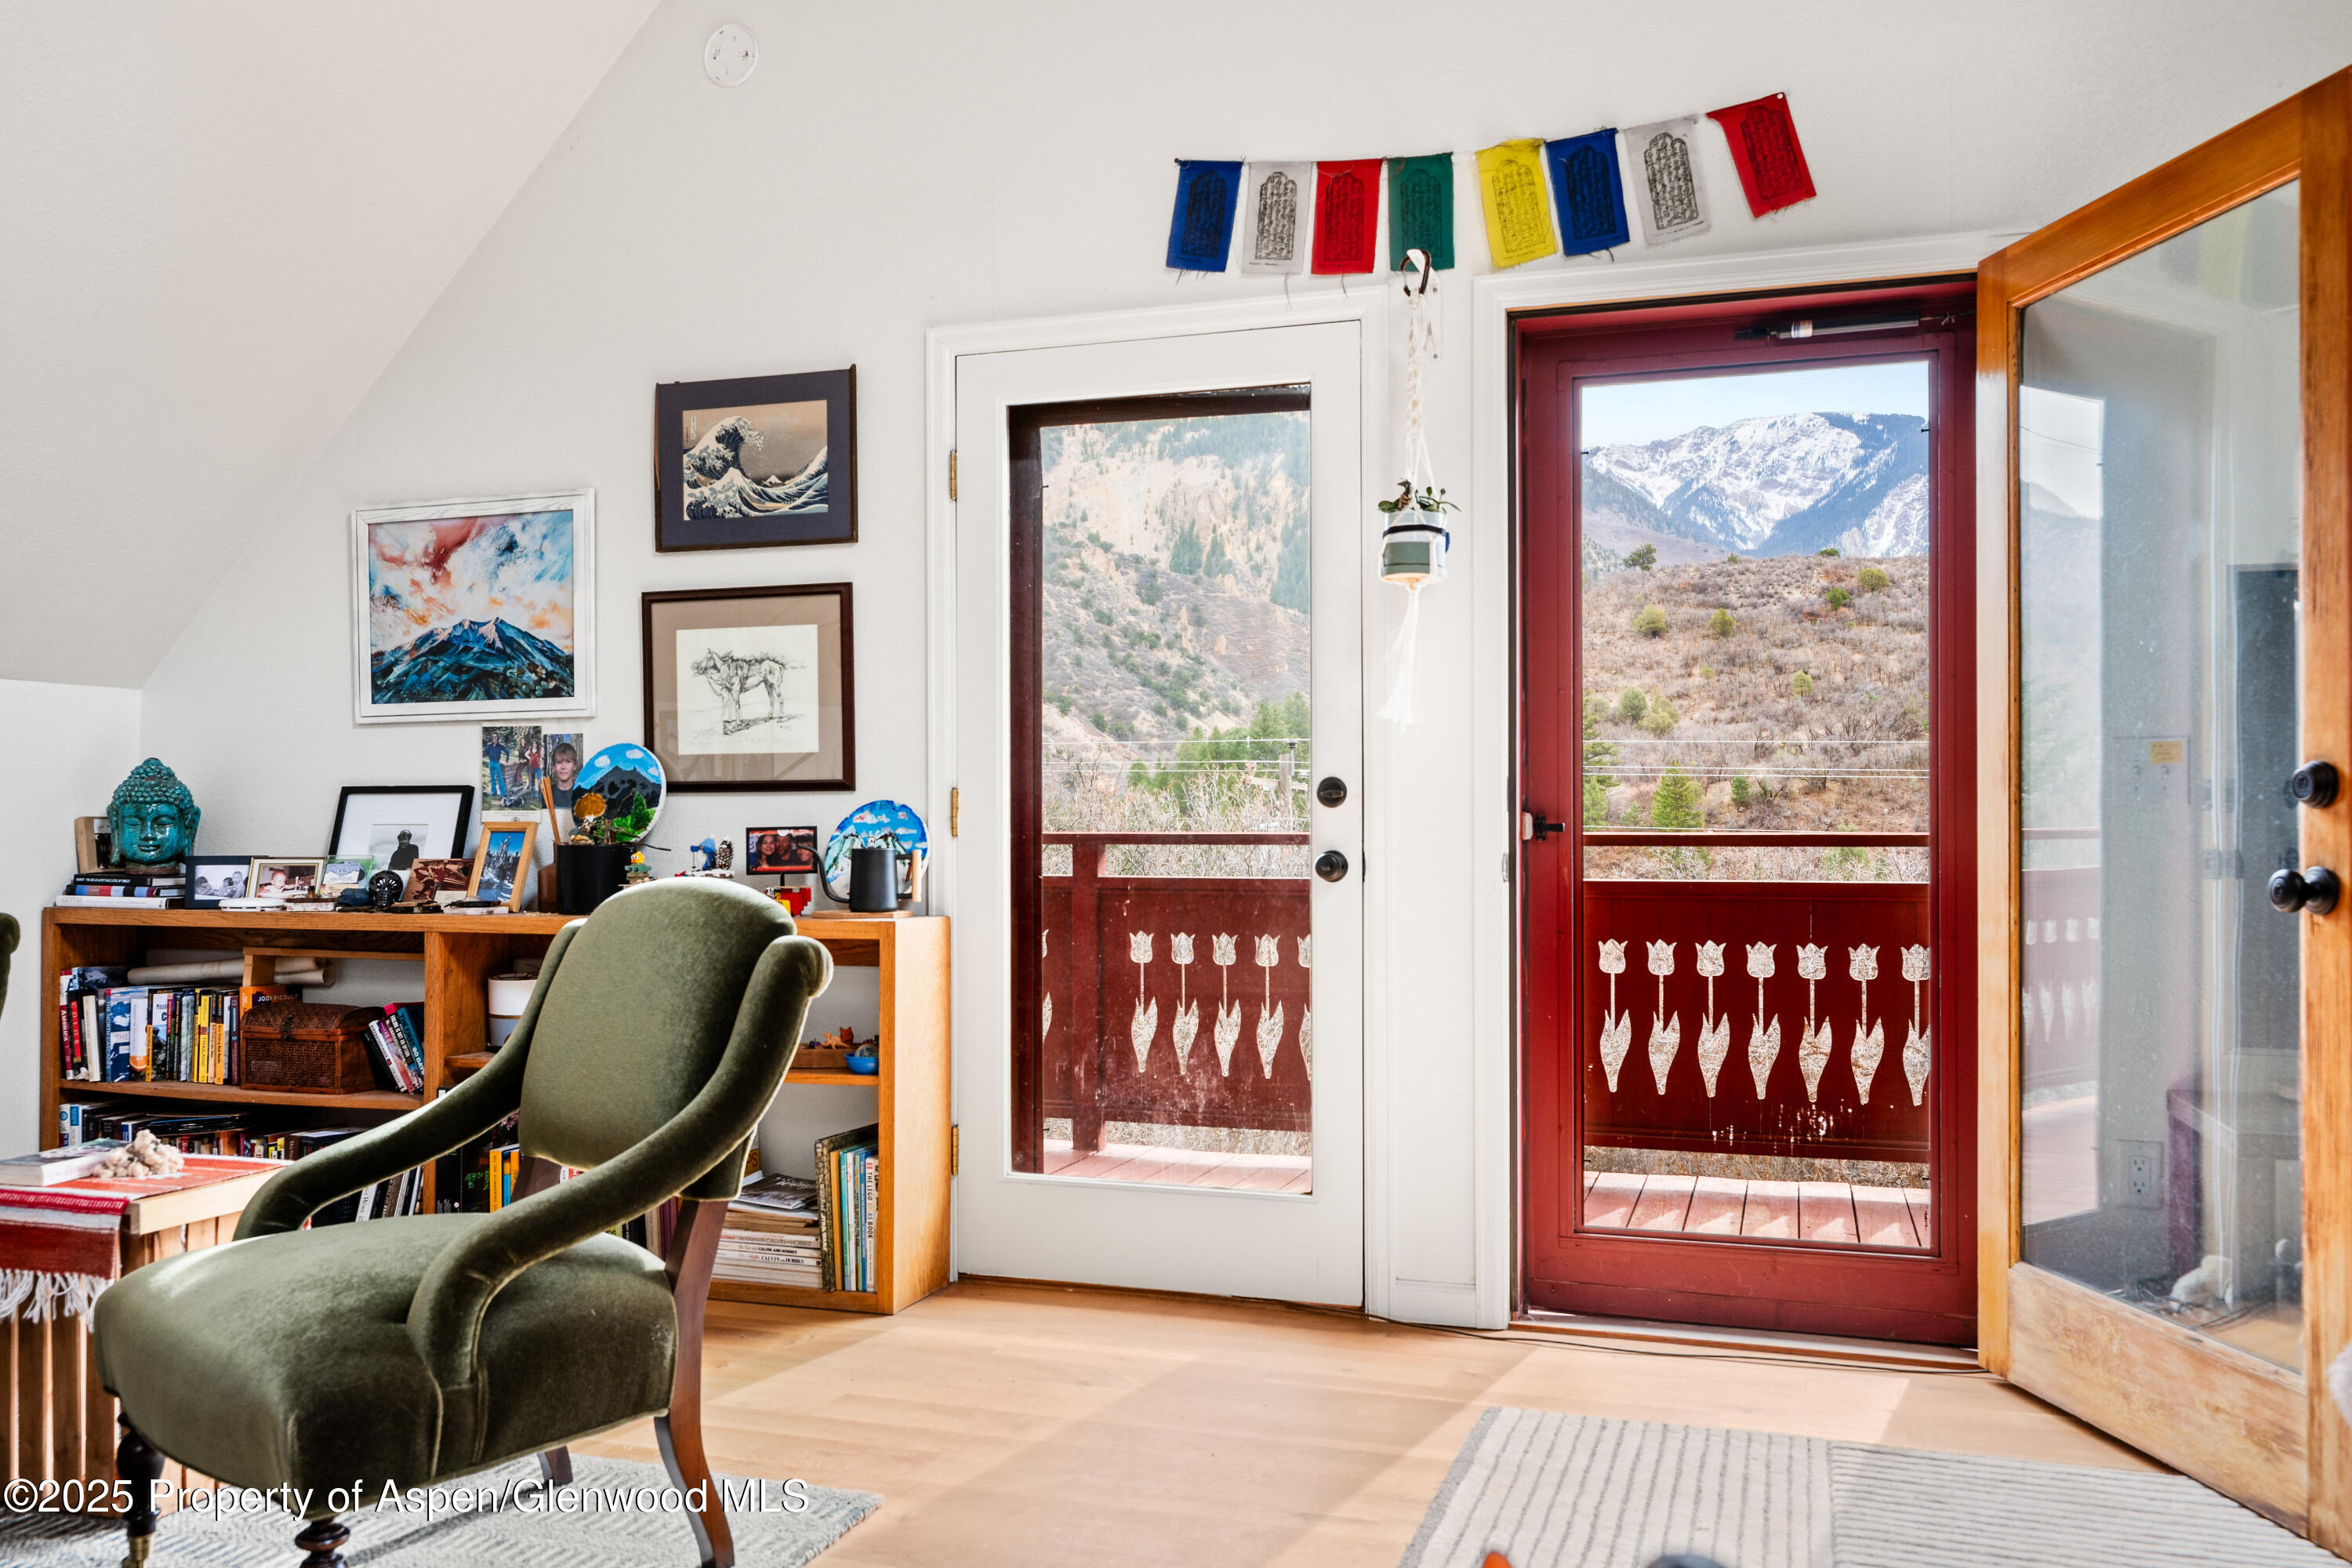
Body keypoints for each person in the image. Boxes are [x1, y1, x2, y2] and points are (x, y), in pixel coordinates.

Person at [546, 739, 581, 808]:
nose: (563, 767)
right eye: (559, 762)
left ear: (575, 766)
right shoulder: (547, 794)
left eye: (568, 762)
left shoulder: (581, 792)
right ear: (554, 767)